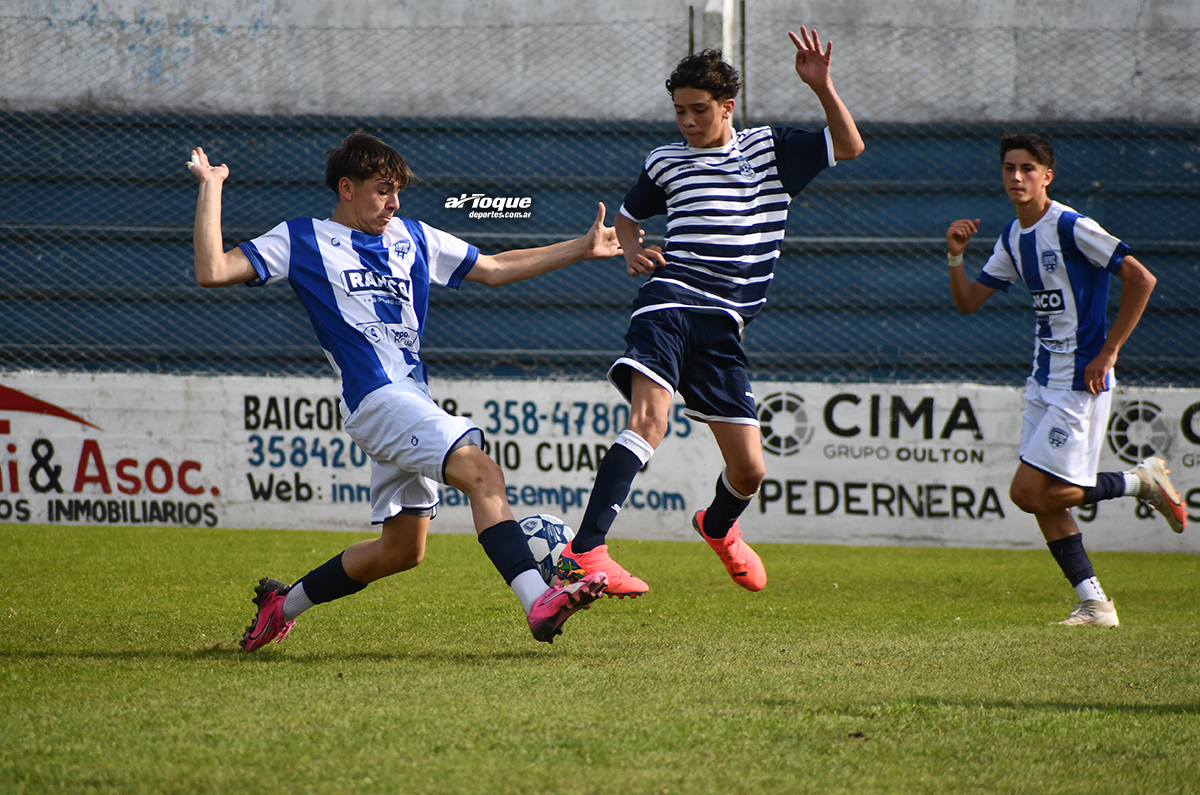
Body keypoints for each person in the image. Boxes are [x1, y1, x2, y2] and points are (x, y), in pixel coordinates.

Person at [187, 132, 619, 649]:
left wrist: (582, 247)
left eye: (397, 192)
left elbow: (496, 269)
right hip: (376, 399)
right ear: (346, 188)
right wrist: (211, 187)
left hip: (410, 400)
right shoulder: (301, 238)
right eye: (381, 191)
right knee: (482, 472)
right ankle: (537, 601)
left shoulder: (413, 236)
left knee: (402, 551)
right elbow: (212, 270)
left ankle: (283, 605)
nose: (393, 203)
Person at [559, 29, 865, 597]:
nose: (688, 122)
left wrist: (822, 87)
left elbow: (849, 147)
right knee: (649, 420)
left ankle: (717, 525)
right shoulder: (666, 161)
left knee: (749, 471)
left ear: (728, 108)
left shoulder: (770, 149)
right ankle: (585, 549)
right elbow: (627, 216)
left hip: (724, 324)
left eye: (700, 110)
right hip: (670, 301)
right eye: (679, 111)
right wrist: (630, 249)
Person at [945, 131, 1187, 628]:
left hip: (1082, 383)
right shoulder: (1014, 236)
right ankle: (1095, 604)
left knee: (1027, 492)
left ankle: (1139, 481)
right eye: (1009, 168)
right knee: (1039, 500)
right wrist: (955, 255)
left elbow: (1142, 279)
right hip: (1041, 382)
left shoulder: (1072, 225)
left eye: (1027, 169)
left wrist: (1109, 351)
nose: (1016, 177)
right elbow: (969, 301)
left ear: (1046, 176)